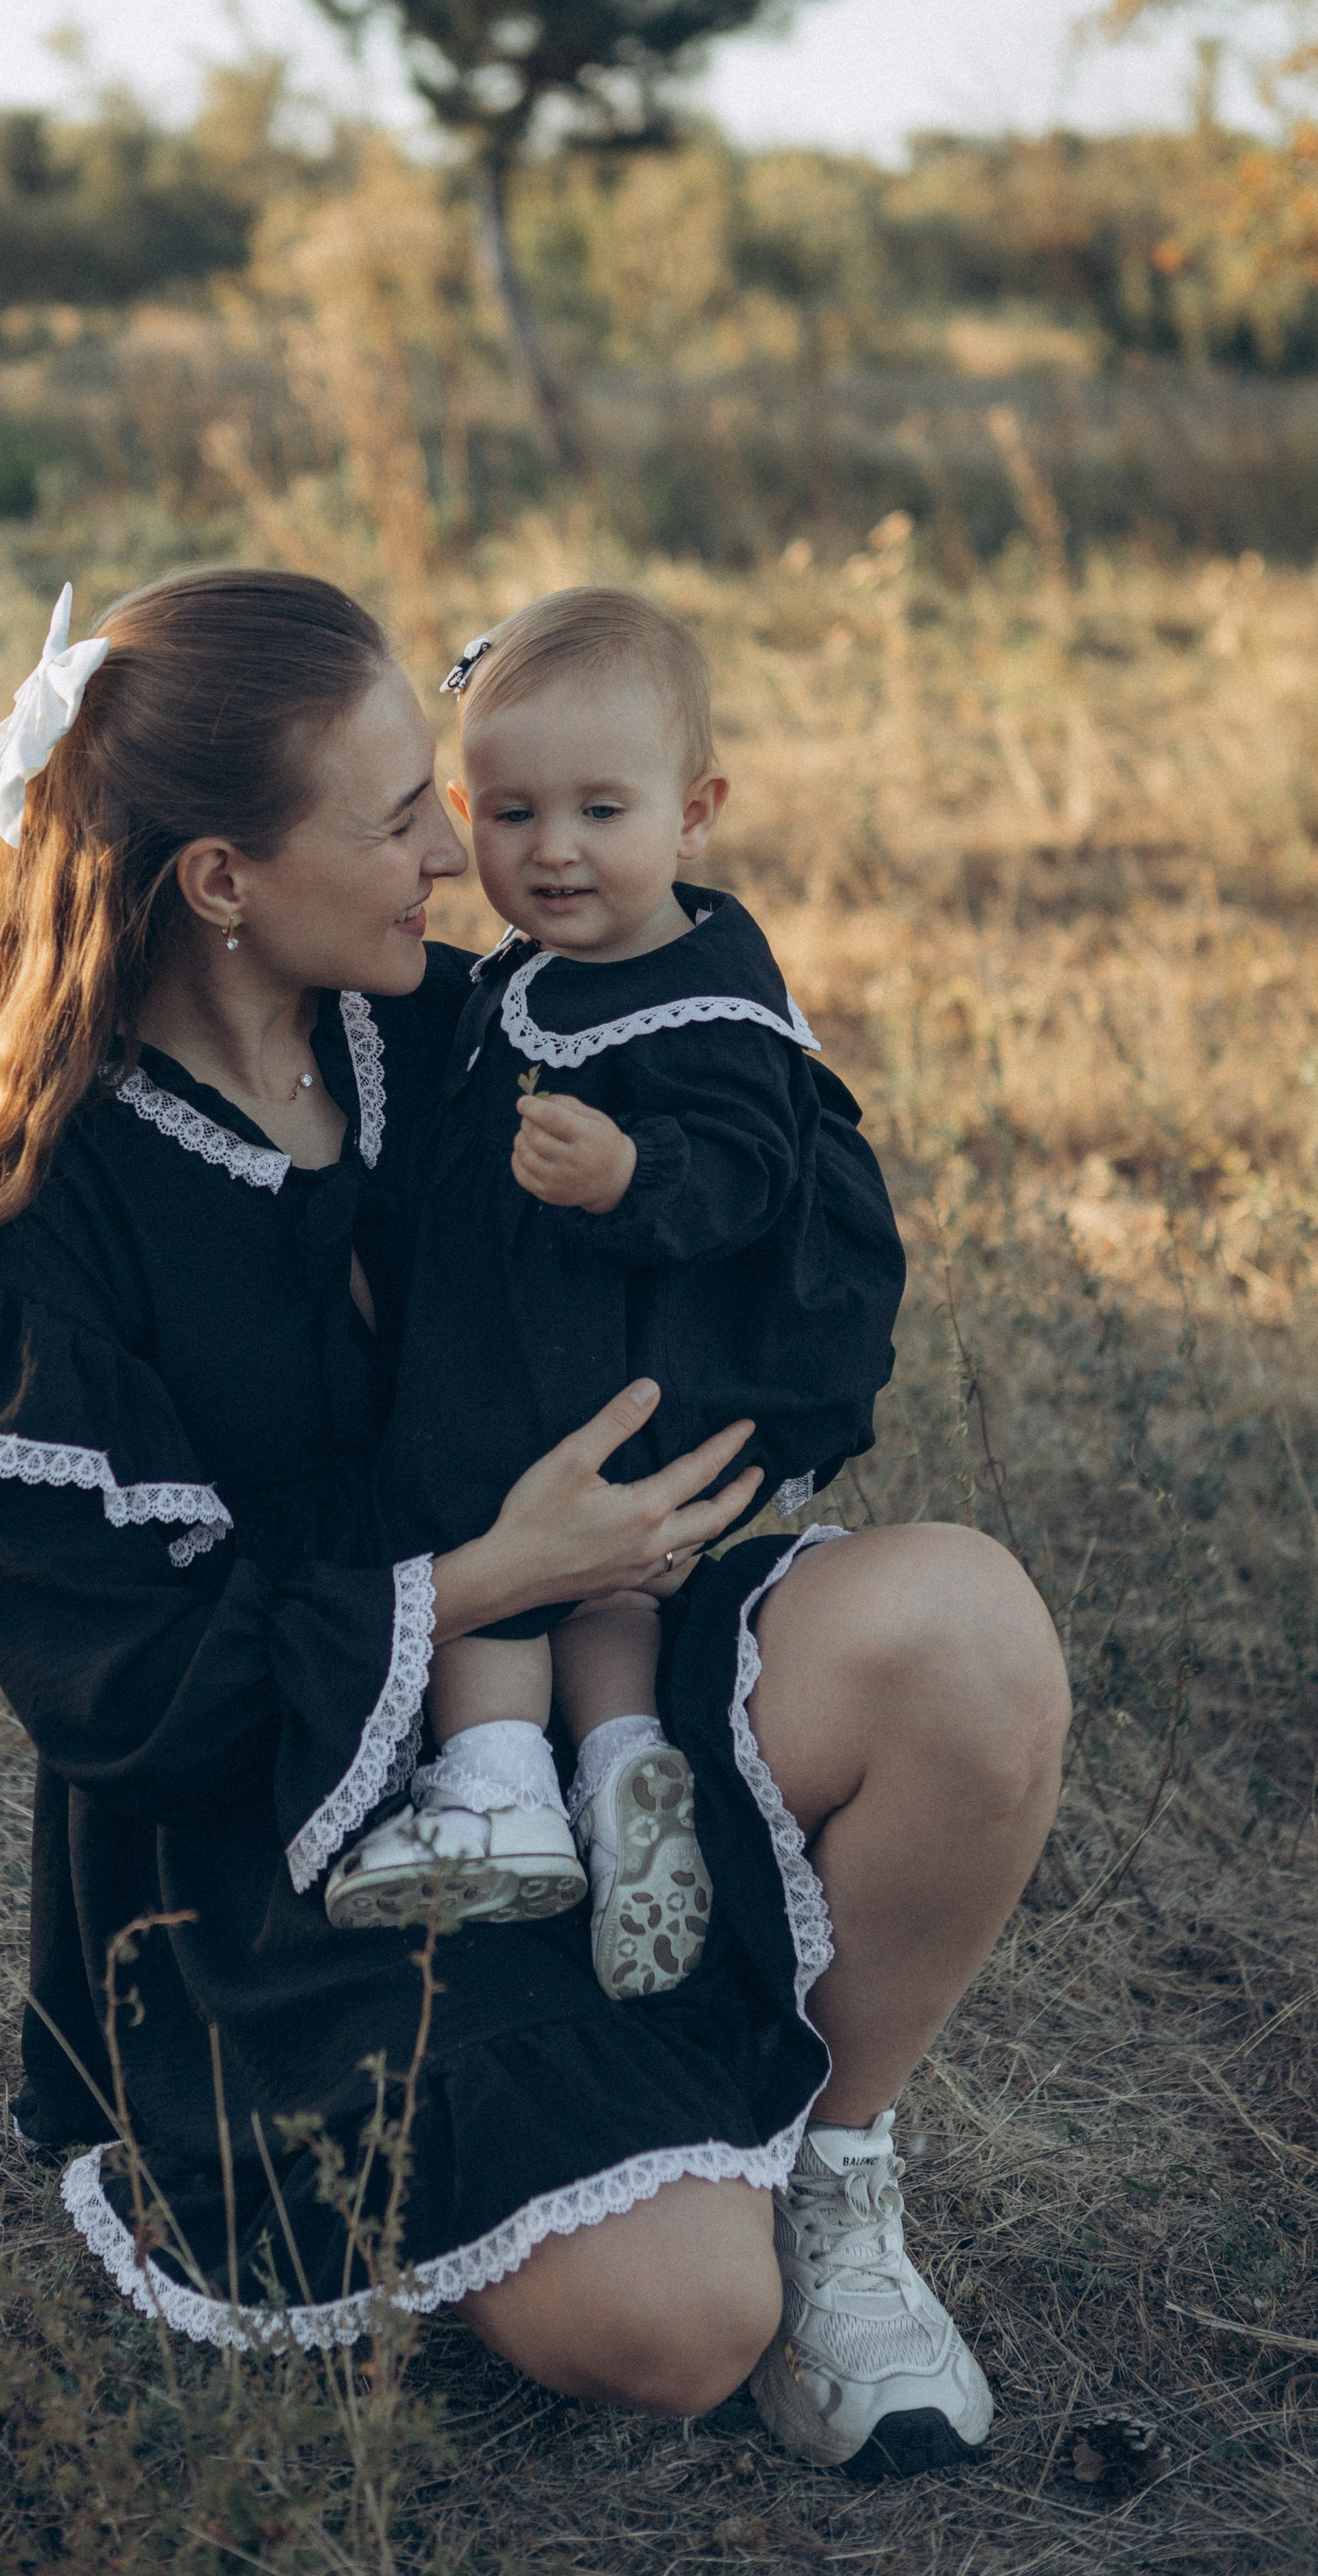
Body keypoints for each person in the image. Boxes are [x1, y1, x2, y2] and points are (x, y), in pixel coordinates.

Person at [0, 565, 1069, 2479]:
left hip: (591, 1662)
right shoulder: (42, 1230)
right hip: (288, 1848)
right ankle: (655, 2147)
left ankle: (836, 2165)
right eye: (396, 816)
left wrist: (679, 1435)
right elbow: (127, 1693)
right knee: (682, 2322)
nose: (454, 851)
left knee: (965, 1636)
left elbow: (765, 1204)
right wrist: (493, 1571)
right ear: (222, 881)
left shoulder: (455, 1030)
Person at [325, 590, 906, 2012]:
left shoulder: (704, 992)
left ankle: (493, 1788)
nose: (555, 850)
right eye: (513, 813)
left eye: (602, 810)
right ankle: (627, 1773)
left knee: (475, 1523)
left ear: (694, 814)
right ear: (463, 812)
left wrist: (632, 1171)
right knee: (598, 1590)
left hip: (586, 1361)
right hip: (556, 1347)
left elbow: (753, 1168)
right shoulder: (542, 964)